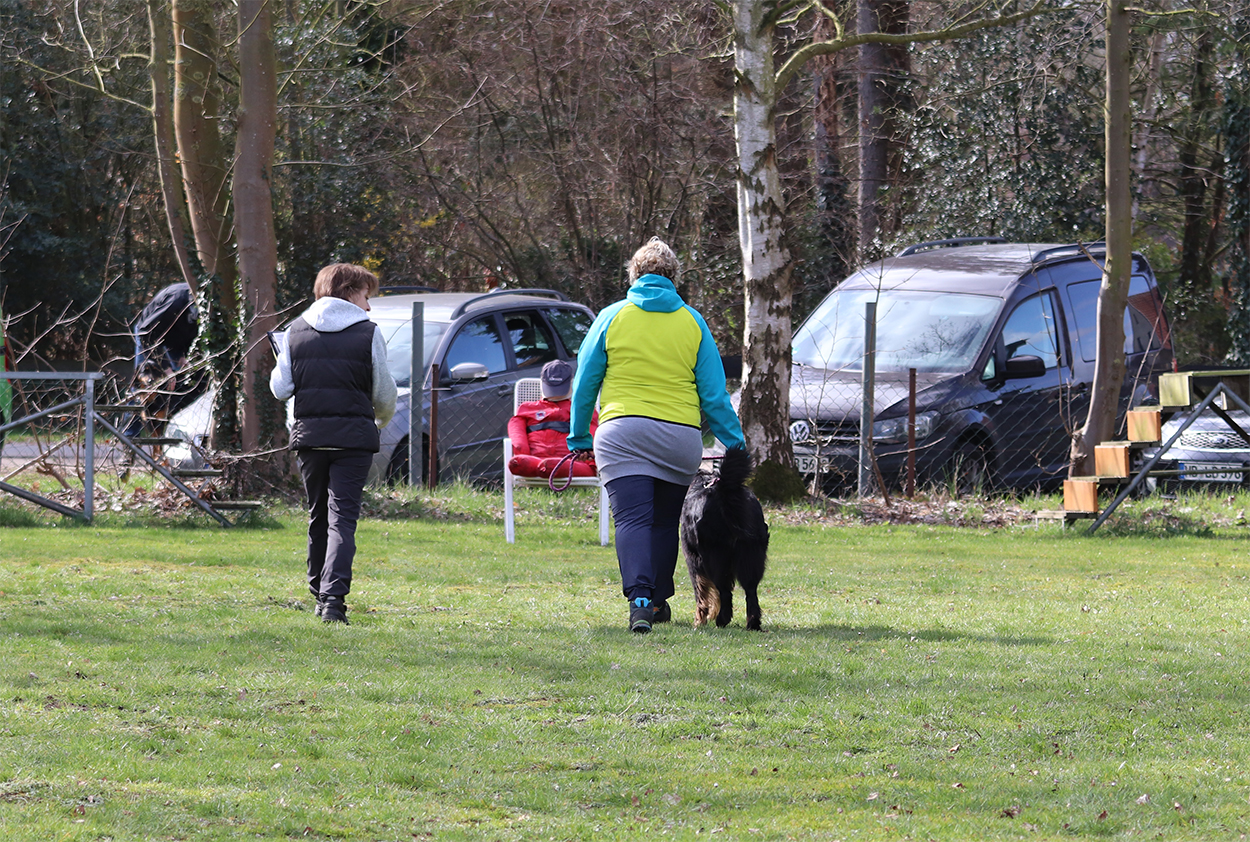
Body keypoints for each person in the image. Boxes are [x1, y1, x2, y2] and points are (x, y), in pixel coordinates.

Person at [567, 237, 745, 633]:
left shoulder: (612, 316)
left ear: (633, 275)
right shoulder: (693, 322)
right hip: (678, 437)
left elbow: (585, 383)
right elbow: (714, 396)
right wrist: (736, 445)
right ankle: (660, 599)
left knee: (632, 519)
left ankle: (641, 601)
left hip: (622, 432)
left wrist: (578, 436)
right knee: (664, 523)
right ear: (674, 277)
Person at [269, 263, 397, 625]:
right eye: (366, 296)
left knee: (318, 516)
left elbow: (280, 389)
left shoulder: (295, 331)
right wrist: (378, 421)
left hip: (310, 438)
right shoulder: (369, 333)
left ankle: (317, 593)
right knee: (342, 520)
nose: (368, 306)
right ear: (350, 293)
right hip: (353, 439)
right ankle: (333, 602)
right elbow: (384, 394)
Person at [122, 282, 200, 439]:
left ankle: (170, 436)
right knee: (142, 387)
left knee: (179, 384)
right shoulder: (176, 300)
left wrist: (184, 355)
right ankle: (129, 437)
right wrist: (166, 369)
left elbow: (193, 332)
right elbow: (146, 332)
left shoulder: (206, 305)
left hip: (175, 341)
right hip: (149, 335)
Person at [507, 359, 597, 479]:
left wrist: (587, 449)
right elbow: (516, 429)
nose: (555, 394)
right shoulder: (527, 408)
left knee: (557, 466)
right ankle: (538, 465)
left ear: (572, 384)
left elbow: (593, 430)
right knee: (519, 463)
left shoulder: (581, 409)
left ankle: (552, 467)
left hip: (572, 461)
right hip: (534, 458)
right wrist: (521, 450)